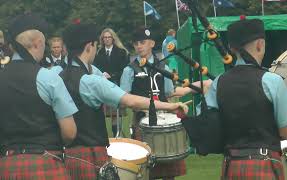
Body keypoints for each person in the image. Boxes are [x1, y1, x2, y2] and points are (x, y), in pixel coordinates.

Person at [52, 23, 188, 179]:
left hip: (64, 156)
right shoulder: (91, 82)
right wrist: (171, 106)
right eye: (96, 45)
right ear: (89, 46)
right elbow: (131, 101)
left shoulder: (54, 75)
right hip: (90, 155)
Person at [203, 18, 287, 179]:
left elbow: (208, 124)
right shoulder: (272, 81)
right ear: (260, 44)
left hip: (231, 165)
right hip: (264, 164)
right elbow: (286, 131)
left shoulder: (218, 82)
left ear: (232, 48)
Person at [0, 13, 78, 179]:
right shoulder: (48, 78)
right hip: (45, 163)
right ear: (38, 43)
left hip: (6, 166)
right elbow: (69, 132)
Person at [120, 27, 186, 180]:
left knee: (168, 168)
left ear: (152, 43)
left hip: (164, 120)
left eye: (142, 42)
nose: (139, 46)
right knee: (146, 169)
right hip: (142, 120)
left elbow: (169, 93)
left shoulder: (164, 66)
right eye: (136, 43)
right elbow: (124, 98)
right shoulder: (129, 70)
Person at [94, 28, 130, 137]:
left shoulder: (122, 52)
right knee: (102, 114)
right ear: (102, 39)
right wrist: (101, 75)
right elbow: (95, 68)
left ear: (113, 38)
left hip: (117, 85)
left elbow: (125, 69)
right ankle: (103, 136)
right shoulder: (98, 53)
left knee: (116, 114)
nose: (107, 39)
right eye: (105, 37)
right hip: (102, 87)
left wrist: (113, 75)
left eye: (109, 37)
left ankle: (117, 134)